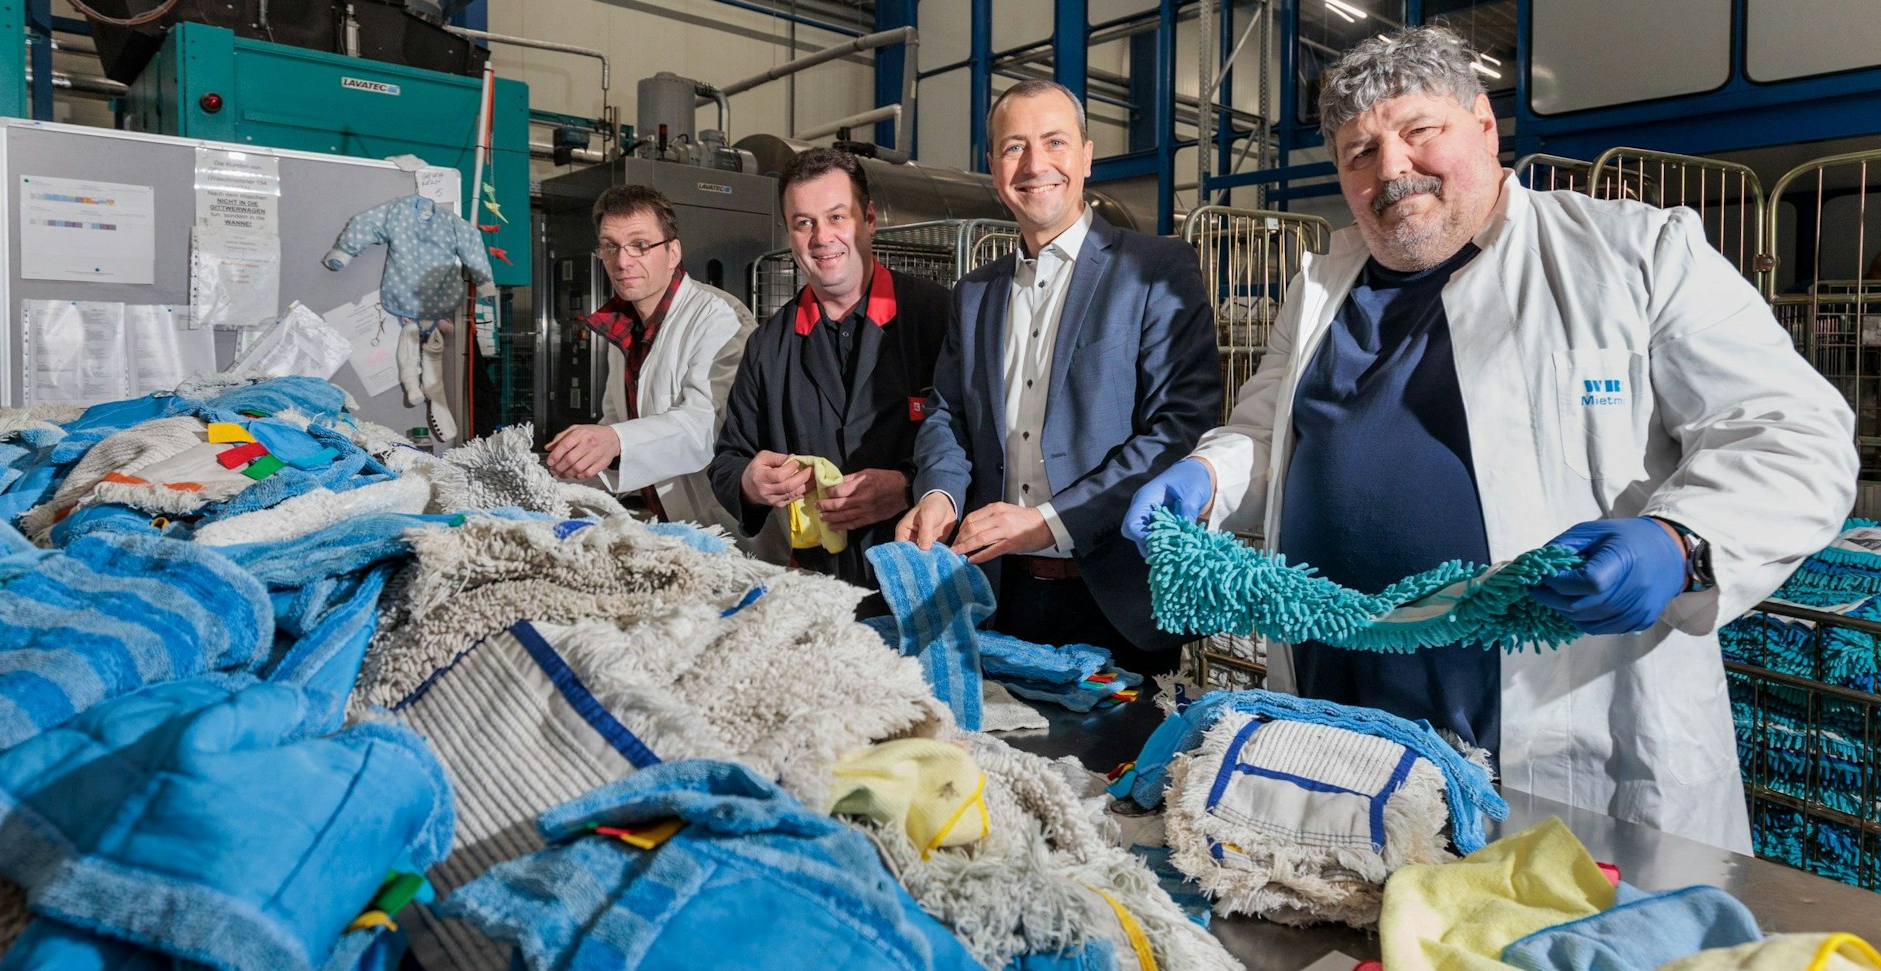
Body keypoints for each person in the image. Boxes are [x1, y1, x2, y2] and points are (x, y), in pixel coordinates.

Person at [1122, 26, 1857, 850]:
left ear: (1483, 124)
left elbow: (1795, 430)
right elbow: (1264, 430)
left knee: (1556, 967)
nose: (1390, 168)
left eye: (1419, 131)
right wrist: (1206, 478)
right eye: (1359, 151)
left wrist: (1680, 542)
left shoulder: (1632, 254)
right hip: (1346, 724)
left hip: (1553, 734)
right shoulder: (1321, 291)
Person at [895, 80, 1223, 675]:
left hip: (1119, 597)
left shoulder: (1155, 270)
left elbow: (1179, 426)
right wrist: (939, 492)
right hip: (1001, 595)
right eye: (1014, 147)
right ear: (993, 166)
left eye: (1054, 142)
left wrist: (1047, 523)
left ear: (1087, 156)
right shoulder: (974, 293)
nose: (1035, 164)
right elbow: (947, 412)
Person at [709, 146, 951, 604]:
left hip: (928, 577)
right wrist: (751, 484)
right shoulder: (768, 344)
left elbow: (985, 445)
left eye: (837, 217)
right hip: (825, 591)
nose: (821, 237)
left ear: (870, 219)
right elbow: (727, 461)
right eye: (804, 223)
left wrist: (908, 486)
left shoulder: (937, 317)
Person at [545, 185, 754, 535]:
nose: (623, 261)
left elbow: (706, 427)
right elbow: (617, 420)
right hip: (670, 528)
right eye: (611, 247)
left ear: (673, 252)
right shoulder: (626, 327)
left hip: (728, 526)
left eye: (640, 245)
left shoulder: (719, 317)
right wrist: (571, 474)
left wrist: (614, 441)